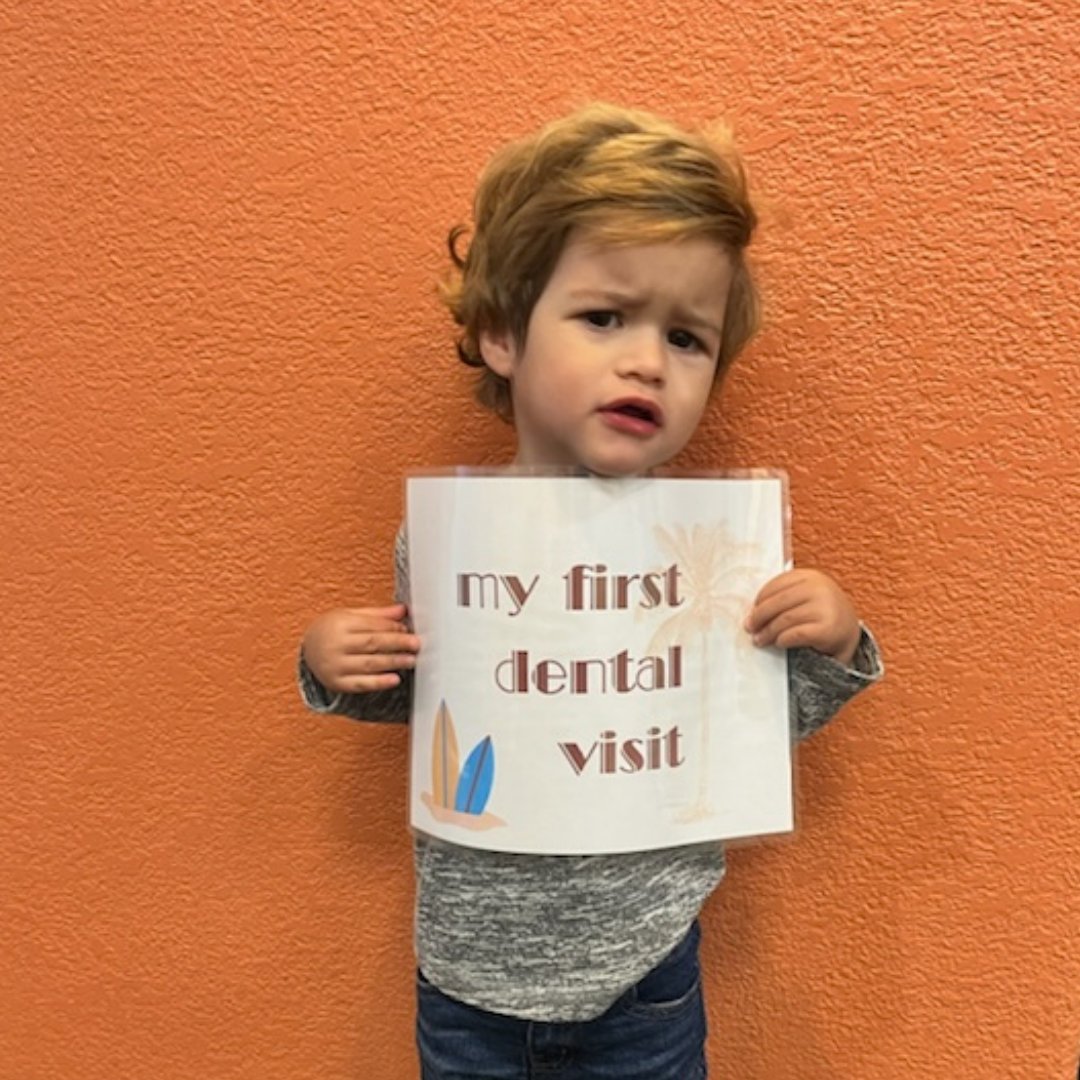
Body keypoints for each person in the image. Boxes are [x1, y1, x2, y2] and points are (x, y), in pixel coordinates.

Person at [299, 103, 883, 1079]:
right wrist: (336, 661)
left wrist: (831, 639)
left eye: (688, 338)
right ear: (502, 335)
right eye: (604, 317)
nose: (647, 357)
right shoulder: (447, 540)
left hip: (644, 971)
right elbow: (449, 695)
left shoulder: (707, 552)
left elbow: (740, 721)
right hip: (466, 974)